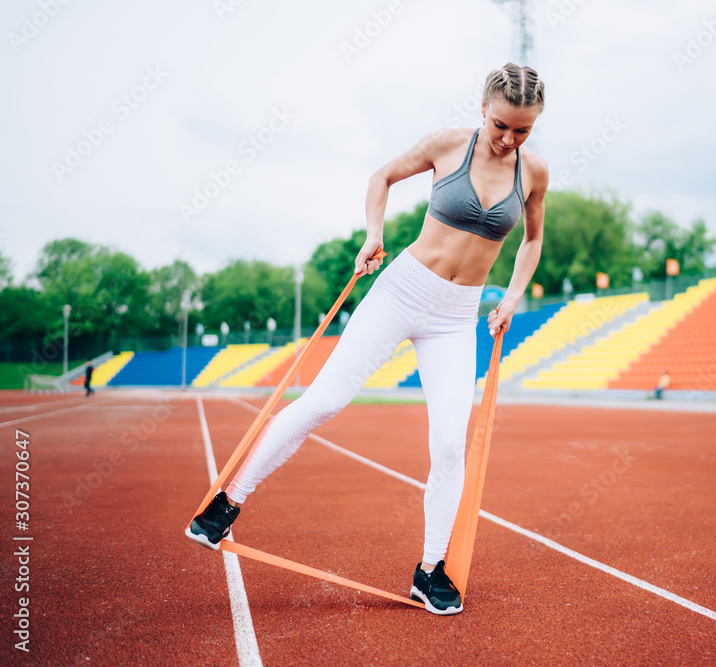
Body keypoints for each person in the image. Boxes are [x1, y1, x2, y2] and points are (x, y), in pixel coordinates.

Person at [187, 64, 548, 616]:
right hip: (401, 291)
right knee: (325, 401)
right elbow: (381, 176)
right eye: (502, 124)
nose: (508, 139)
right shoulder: (447, 144)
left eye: (522, 131)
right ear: (483, 108)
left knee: (452, 443)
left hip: (456, 317)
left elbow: (532, 239)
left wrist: (514, 294)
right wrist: (373, 235)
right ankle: (228, 502)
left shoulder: (534, 172)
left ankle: (430, 571)